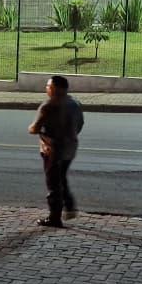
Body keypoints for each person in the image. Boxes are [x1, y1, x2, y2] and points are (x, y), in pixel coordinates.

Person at [27, 74, 84, 228]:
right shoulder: (75, 103)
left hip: (52, 149)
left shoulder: (49, 105)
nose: (46, 88)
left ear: (54, 88)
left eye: (48, 86)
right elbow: (80, 124)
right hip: (71, 146)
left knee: (53, 183)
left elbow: (35, 128)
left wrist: (31, 128)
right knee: (61, 177)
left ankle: (54, 217)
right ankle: (70, 207)